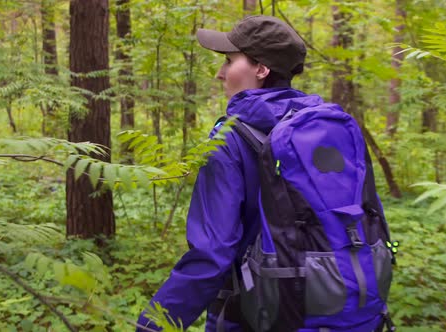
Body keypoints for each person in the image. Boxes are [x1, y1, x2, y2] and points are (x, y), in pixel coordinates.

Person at [136, 15, 326, 331]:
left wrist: (154, 324)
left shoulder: (231, 141)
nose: (219, 74)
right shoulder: (321, 129)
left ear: (261, 69)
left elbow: (212, 254)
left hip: (253, 313)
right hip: (329, 307)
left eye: (229, 61)